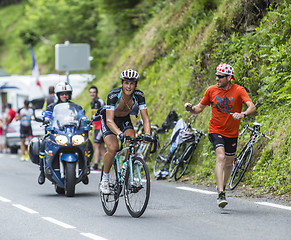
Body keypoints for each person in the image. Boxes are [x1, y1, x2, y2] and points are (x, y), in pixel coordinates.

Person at [184, 63, 256, 208]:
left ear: (229, 78)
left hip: (232, 132)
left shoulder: (239, 90)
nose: (217, 78)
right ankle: (221, 193)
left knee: (229, 163)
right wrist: (191, 109)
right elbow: (199, 108)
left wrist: (242, 114)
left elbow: (252, 107)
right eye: (216, 75)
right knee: (221, 157)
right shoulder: (211, 90)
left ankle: (222, 188)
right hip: (215, 130)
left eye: (220, 77)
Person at [100, 69, 153, 194]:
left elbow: (145, 118)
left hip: (124, 119)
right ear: (122, 83)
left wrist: (148, 134)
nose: (129, 86)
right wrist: (119, 134)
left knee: (131, 143)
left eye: (132, 83)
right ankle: (105, 179)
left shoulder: (139, 95)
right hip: (110, 121)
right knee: (113, 148)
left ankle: (128, 172)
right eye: (126, 83)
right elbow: (109, 121)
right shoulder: (113, 95)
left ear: (136, 85)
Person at [38, 82, 88, 184]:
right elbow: (47, 116)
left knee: (88, 144)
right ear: (58, 95)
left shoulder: (75, 107)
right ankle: (42, 172)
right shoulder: (51, 107)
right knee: (42, 144)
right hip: (57, 132)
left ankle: (85, 169)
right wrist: (46, 120)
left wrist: (86, 120)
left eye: (66, 93)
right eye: (62, 94)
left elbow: (81, 115)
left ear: (69, 94)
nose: (64, 96)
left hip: (72, 132)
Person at [89, 86, 105, 171]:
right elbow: (93, 116)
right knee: (101, 146)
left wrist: (103, 129)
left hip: (101, 127)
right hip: (96, 127)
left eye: (94, 92)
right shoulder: (92, 103)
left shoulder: (100, 102)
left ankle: (96, 164)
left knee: (96, 145)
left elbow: (105, 115)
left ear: (97, 93)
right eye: (91, 92)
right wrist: (91, 128)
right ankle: (105, 164)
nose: (92, 94)